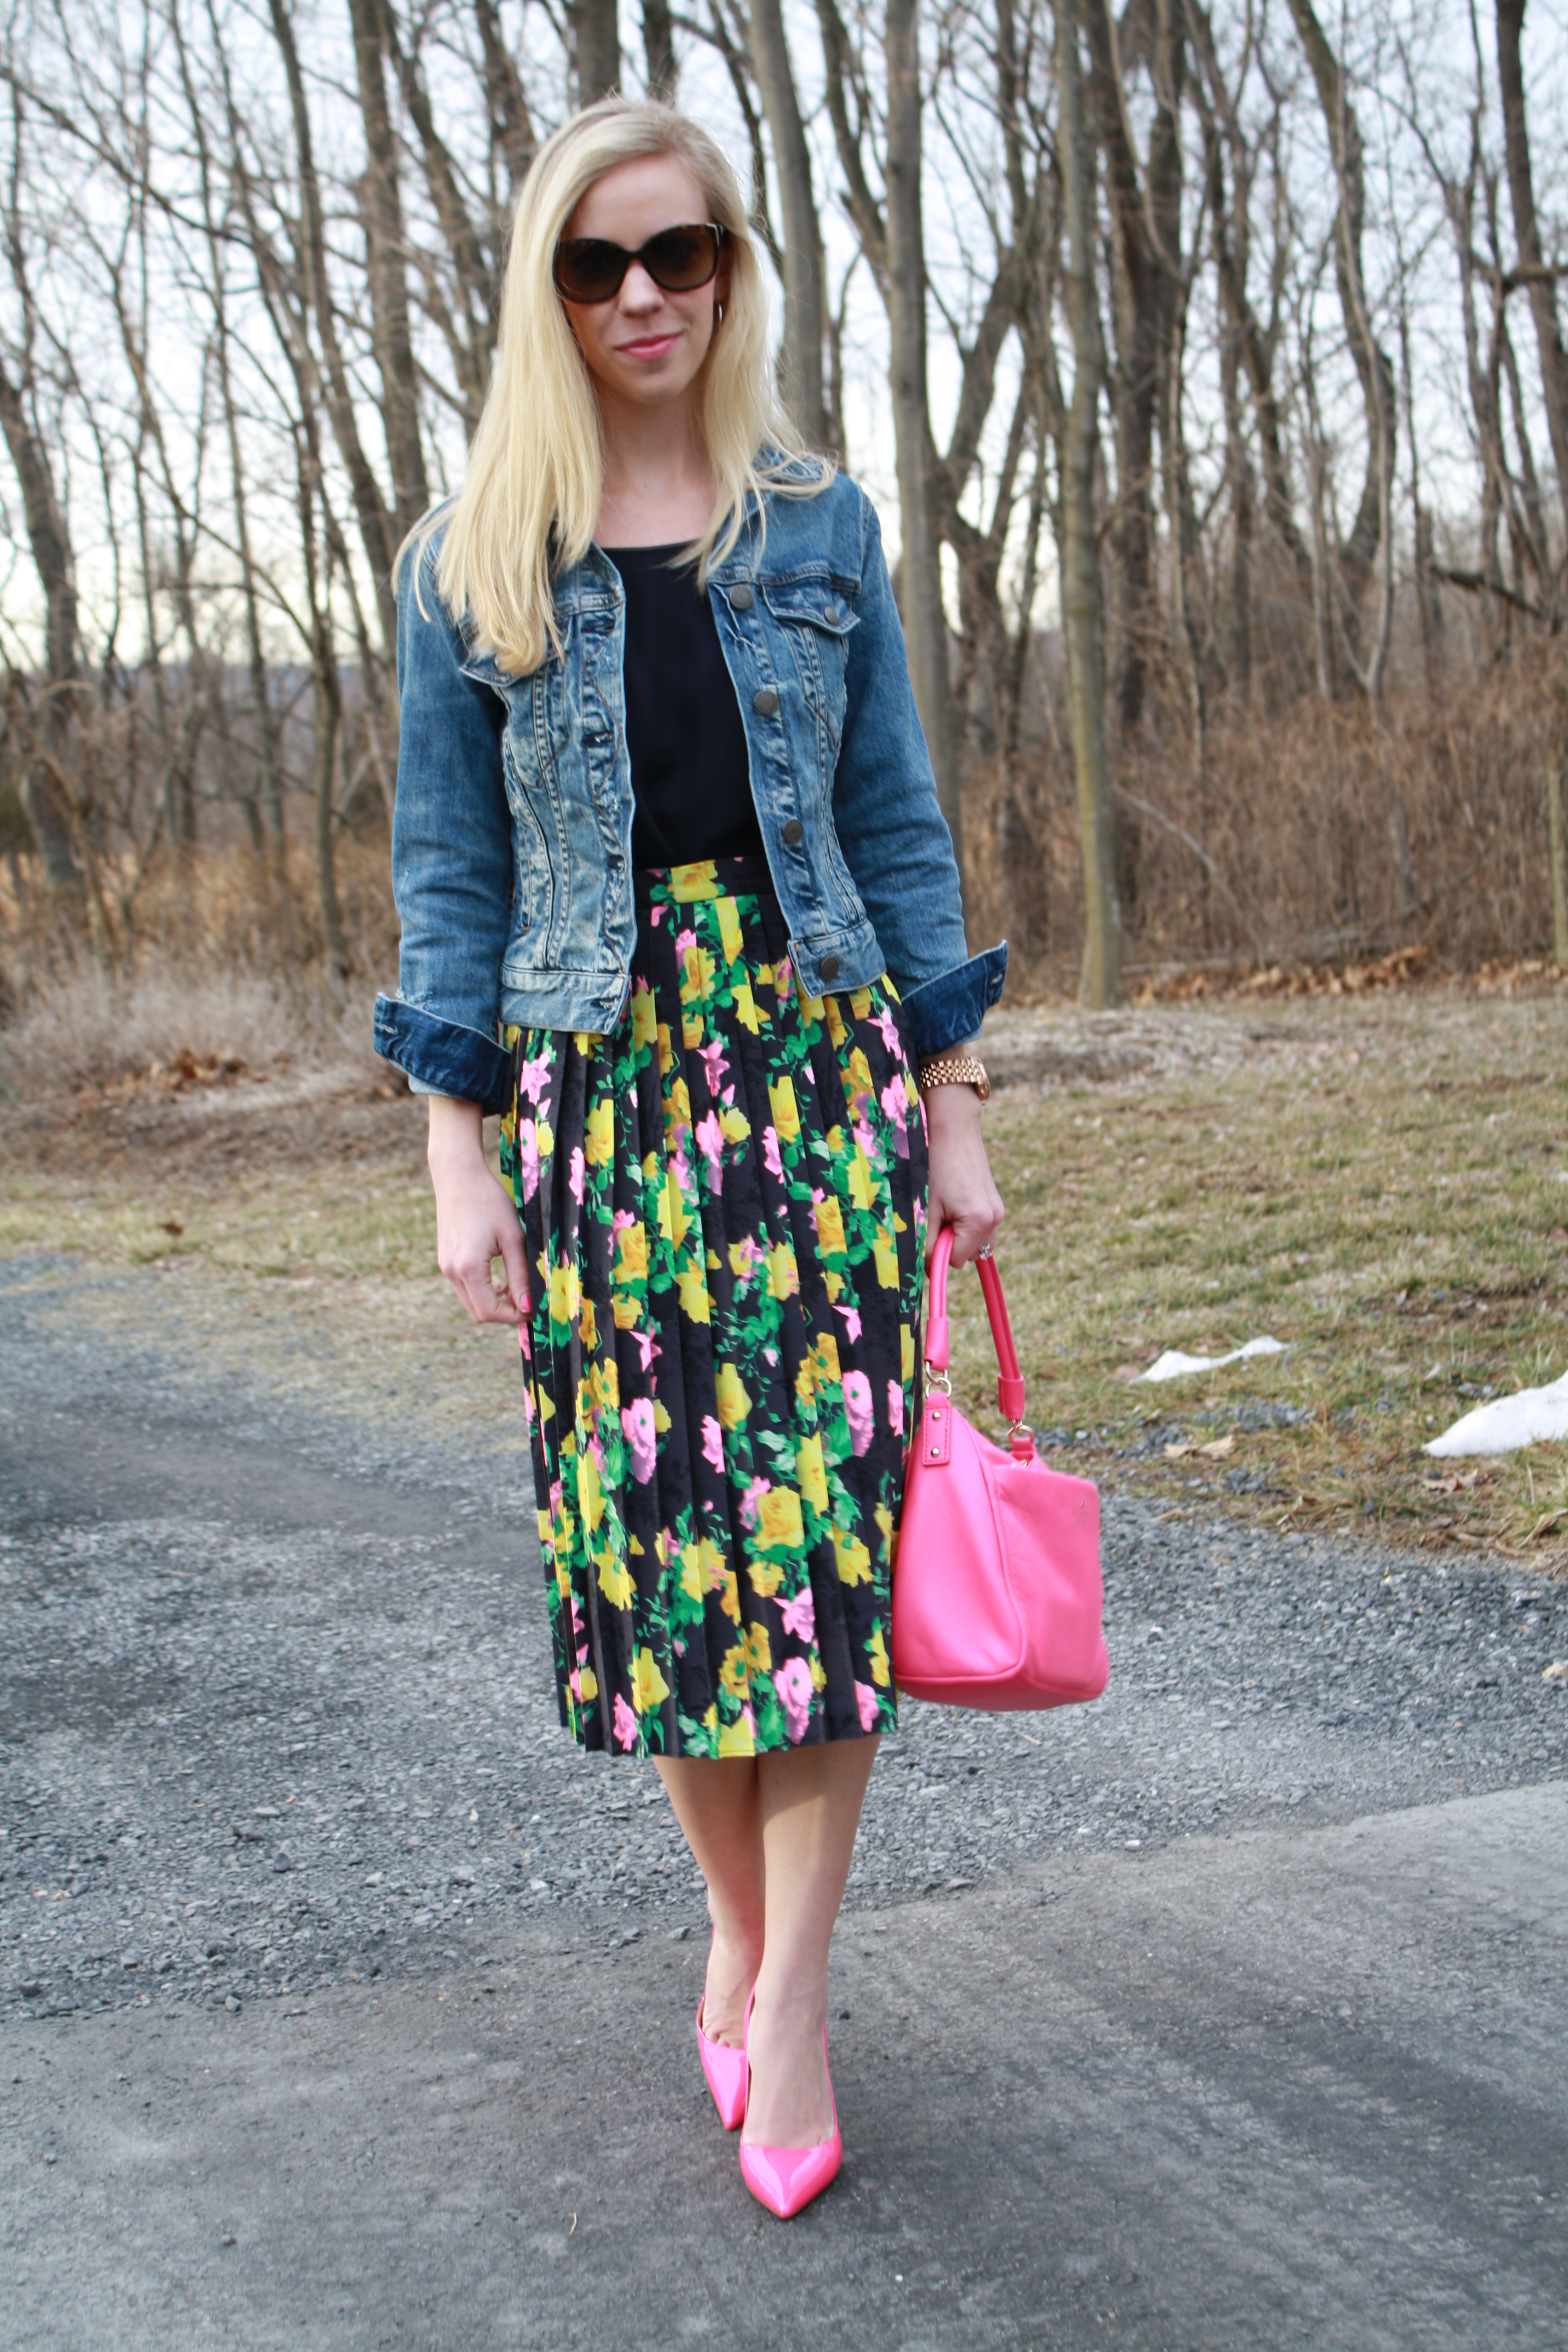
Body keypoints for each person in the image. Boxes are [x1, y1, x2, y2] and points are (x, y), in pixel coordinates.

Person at [373, 95, 1005, 2218]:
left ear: (732, 269)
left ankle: (797, 1998)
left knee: (819, 1548)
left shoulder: (816, 524)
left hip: (813, 1074)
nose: (646, 294)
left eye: (684, 253)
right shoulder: (469, 557)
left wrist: (956, 1107)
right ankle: (735, 1926)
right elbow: (451, 883)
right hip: (600, 1090)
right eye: (598, 262)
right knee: (666, 1562)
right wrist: (456, 1152)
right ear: (548, 290)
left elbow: (898, 830)